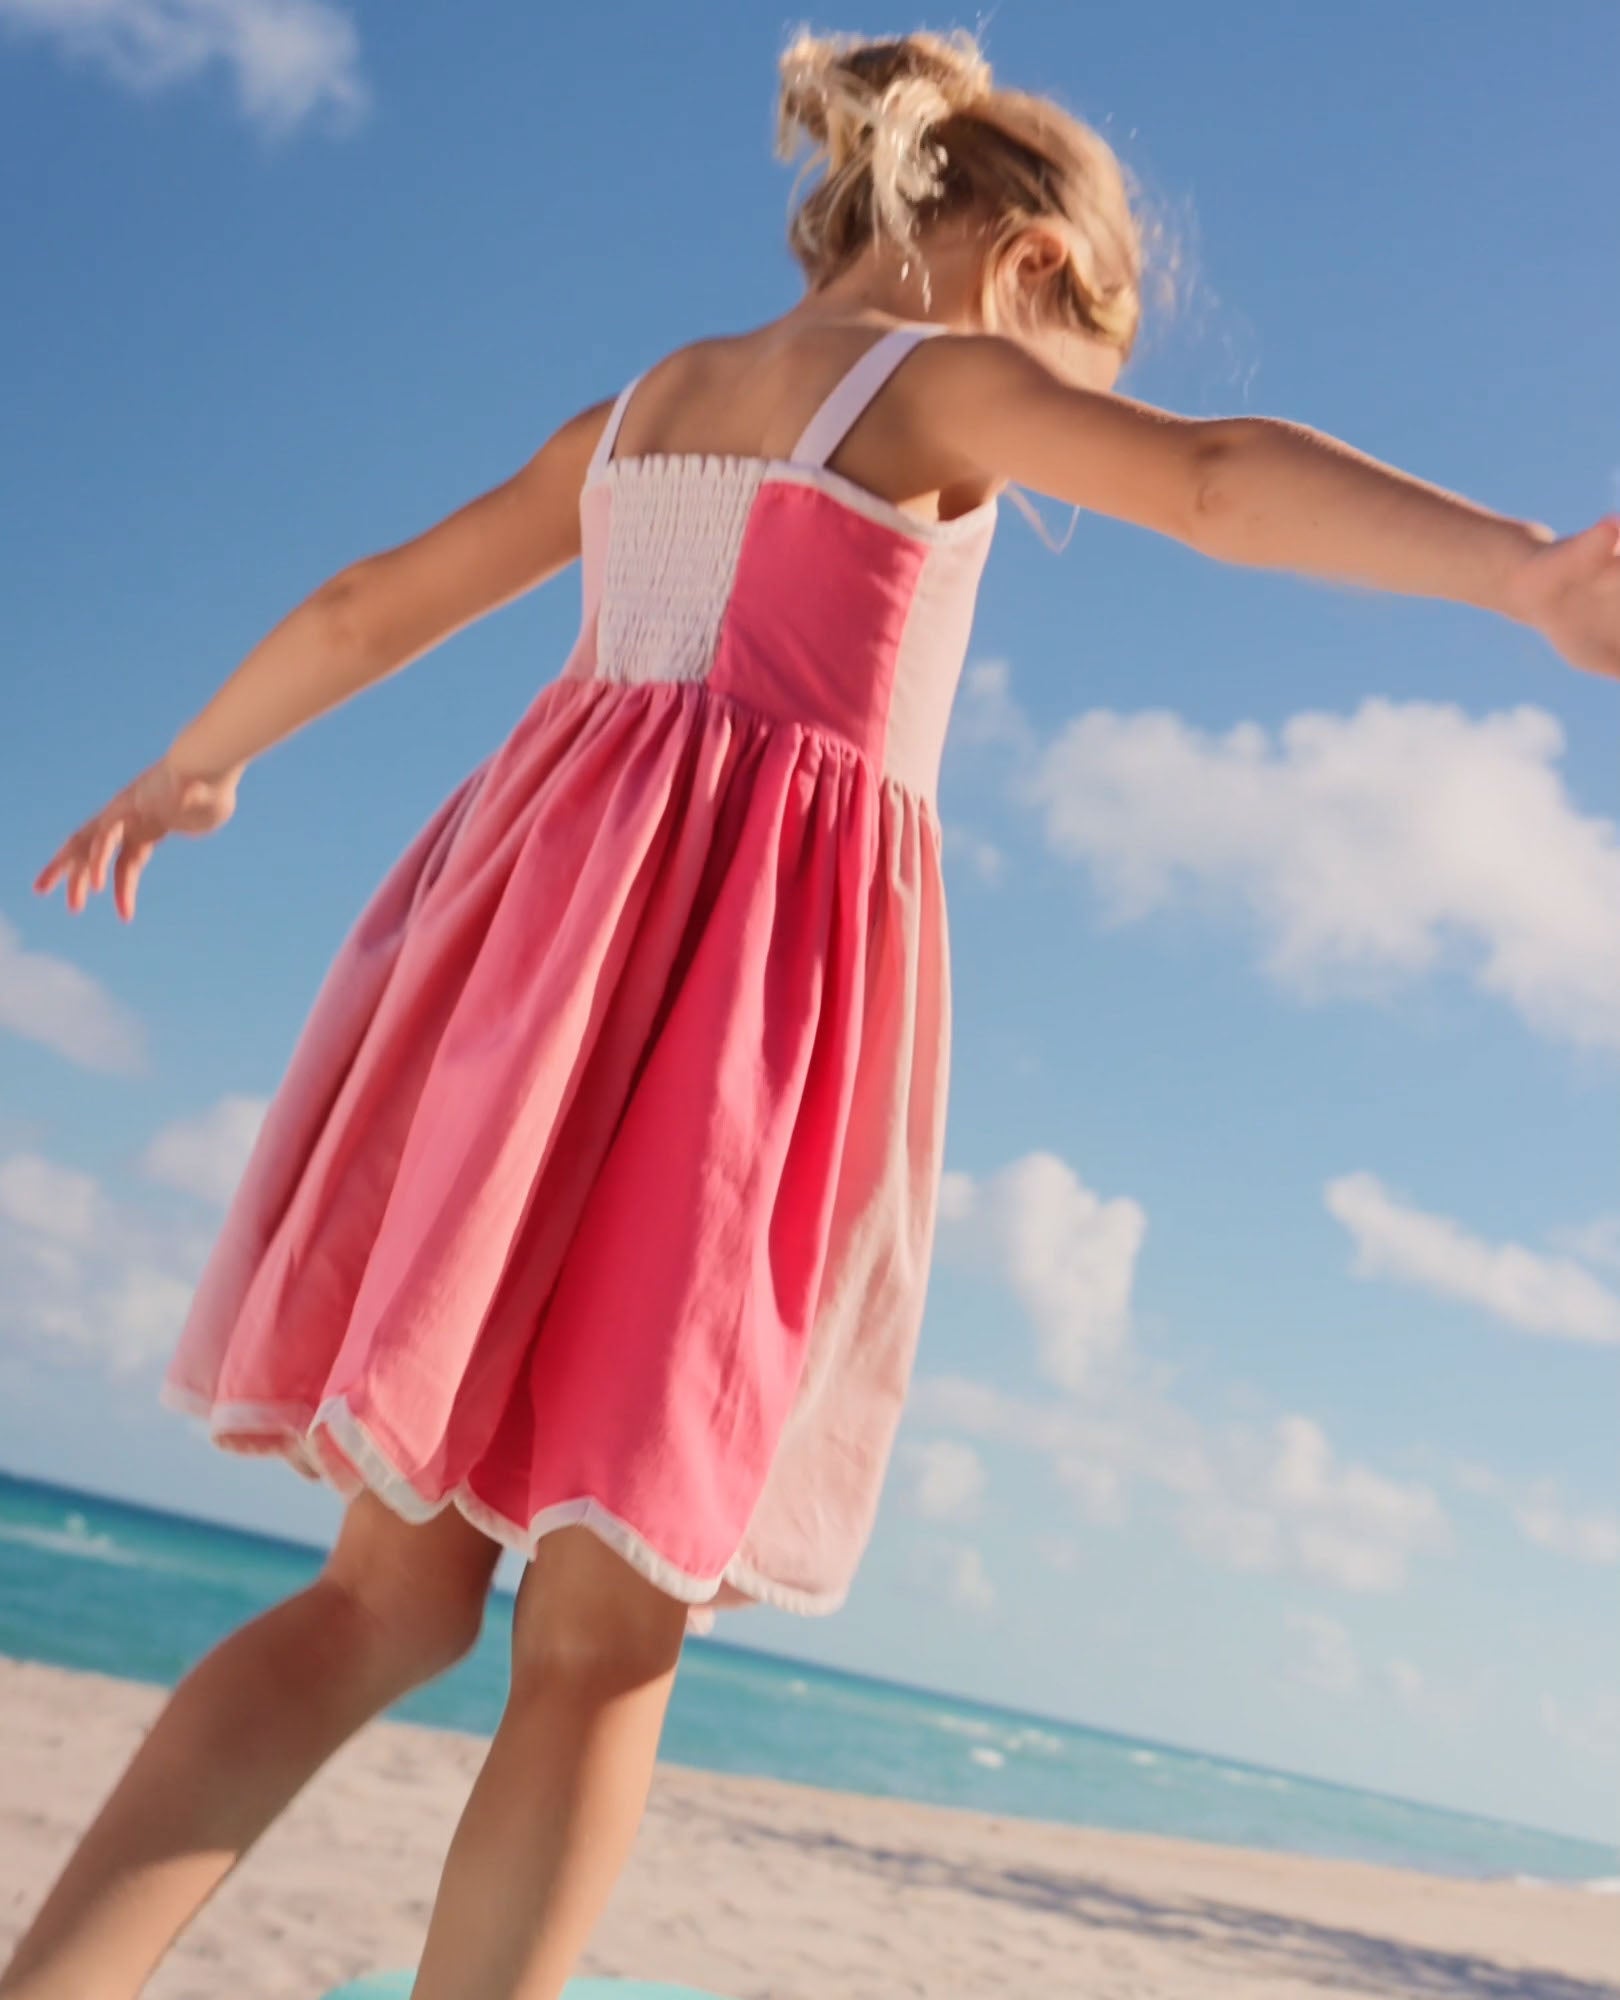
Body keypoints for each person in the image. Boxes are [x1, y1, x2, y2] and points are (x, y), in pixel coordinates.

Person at [10, 25, 1616, 2000]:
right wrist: (1522, 574)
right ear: (1028, 266)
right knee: (603, 1644)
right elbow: (1212, 484)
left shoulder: (638, 411)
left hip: (516, 990)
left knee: (381, 1599)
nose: (1060, 431)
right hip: (729, 1021)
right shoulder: (938, 379)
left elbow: (366, 603)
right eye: (1078, 374)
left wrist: (194, 762)